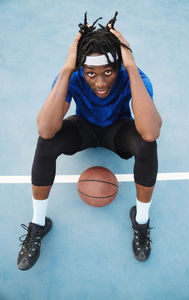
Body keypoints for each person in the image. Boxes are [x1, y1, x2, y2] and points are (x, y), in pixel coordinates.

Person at [17, 12, 162, 270]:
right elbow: (46, 128)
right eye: (90, 74)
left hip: (118, 130)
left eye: (108, 71)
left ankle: (141, 220)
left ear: (118, 66)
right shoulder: (72, 76)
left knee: (147, 145)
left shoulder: (133, 75)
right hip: (84, 127)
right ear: (81, 69)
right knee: (45, 143)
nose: (100, 82)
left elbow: (150, 131)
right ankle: (38, 224)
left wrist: (130, 65)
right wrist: (66, 69)